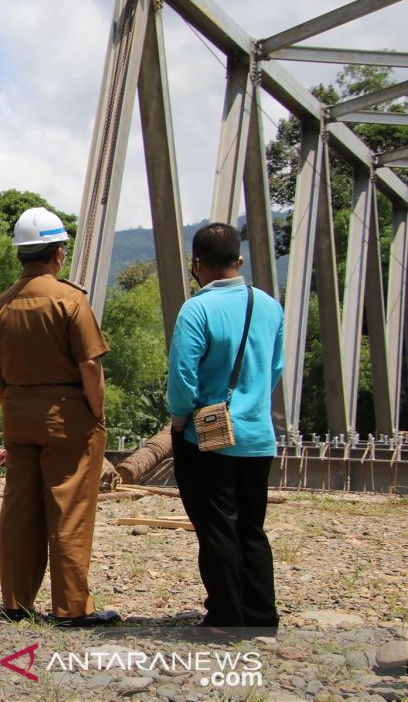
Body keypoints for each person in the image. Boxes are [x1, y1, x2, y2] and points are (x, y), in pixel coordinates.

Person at [0, 207, 119, 627]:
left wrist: (13, 408)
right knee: (69, 508)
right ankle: (72, 607)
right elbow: (90, 367)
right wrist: (96, 413)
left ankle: (15, 602)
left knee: (20, 508)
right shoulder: (70, 300)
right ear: (59, 253)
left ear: (20, 256)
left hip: (18, 414)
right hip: (68, 415)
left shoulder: (0, 306)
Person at [168, 222, 284, 636]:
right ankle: (261, 616)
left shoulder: (196, 309)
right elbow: (275, 369)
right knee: (251, 527)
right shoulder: (270, 306)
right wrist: (251, 404)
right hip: (258, 436)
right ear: (239, 260)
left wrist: (180, 419)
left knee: (217, 526)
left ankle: (225, 616)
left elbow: (183, 376)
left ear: (195, 265)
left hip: (209, 436)